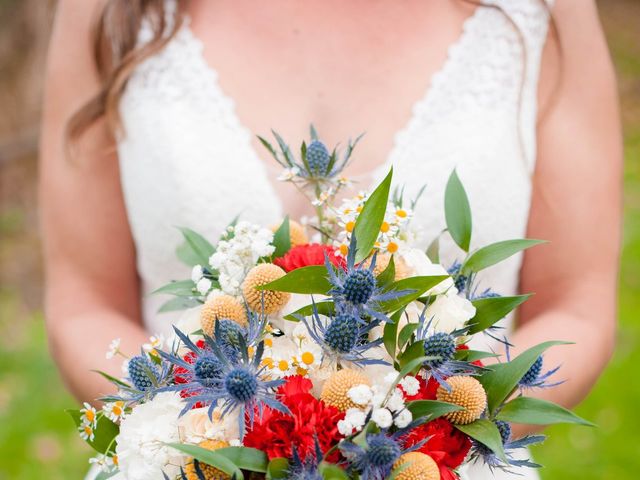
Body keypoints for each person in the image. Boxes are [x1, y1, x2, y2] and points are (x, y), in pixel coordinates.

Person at [40, 1, 621, 478]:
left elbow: (577, 305)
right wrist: (209, 438)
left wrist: (421, 428)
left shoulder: (548, 11)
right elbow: (84, 306)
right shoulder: (104, 11)